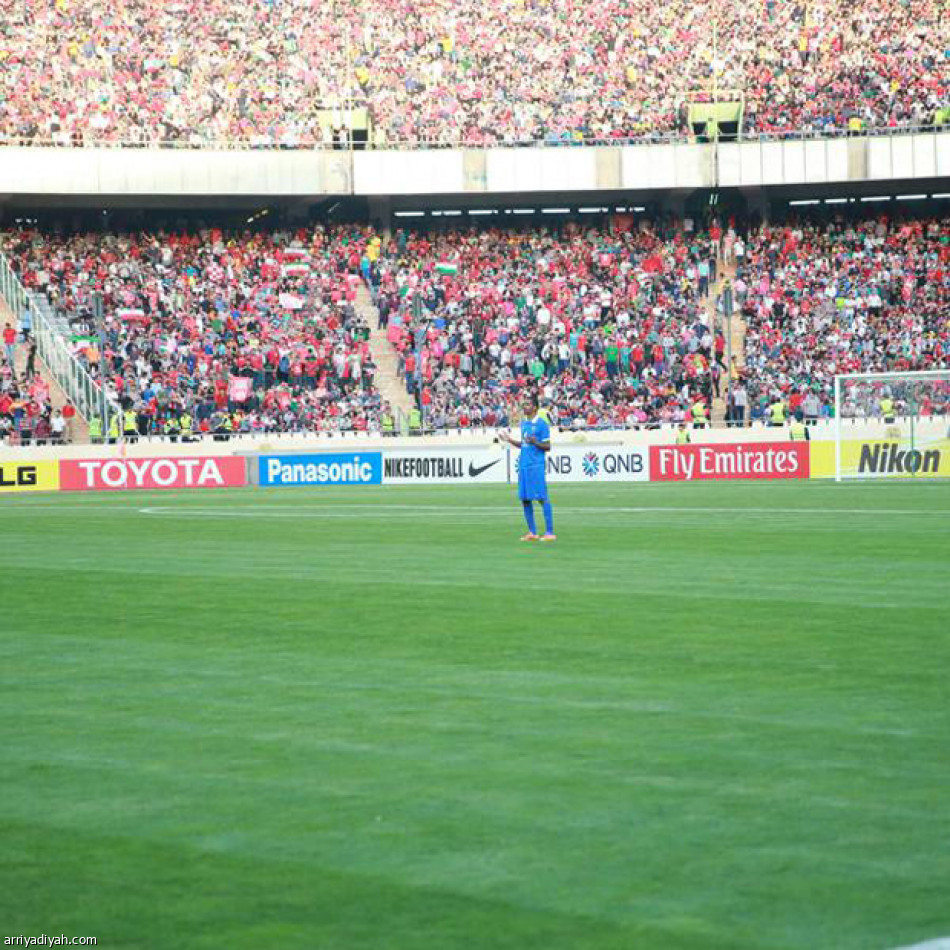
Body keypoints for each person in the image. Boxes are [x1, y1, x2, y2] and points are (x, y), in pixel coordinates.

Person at [499, 393, 555, 542]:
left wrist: (536, 441)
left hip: (535, 466)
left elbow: (547, 446)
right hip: (523, 465)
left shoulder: (542, 424)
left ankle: (550, 532)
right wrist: (509, 439)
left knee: (542, 498)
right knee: (525, 499)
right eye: (524, 404)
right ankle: (532, 532)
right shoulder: (524, 423)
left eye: (528, 404)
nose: (525, 407)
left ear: (535, 407)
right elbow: (524, 444)